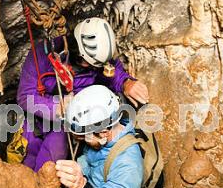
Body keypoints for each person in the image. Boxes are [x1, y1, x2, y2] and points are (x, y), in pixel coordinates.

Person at [16, 17, 149, 172]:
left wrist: (126, 82)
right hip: (37, 121)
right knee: (24, 167)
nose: (93, 68)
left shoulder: (98, 59)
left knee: (49, 166)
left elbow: (112, 71)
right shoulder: (42, 54)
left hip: (66, 128)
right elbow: (25, 96)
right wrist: (59, 107)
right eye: (90, 64)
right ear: (77, 53)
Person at [55, 85, 143, 188]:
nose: (78, 140)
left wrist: (79, 187)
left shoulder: (128, 164)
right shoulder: (103, 134)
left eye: (82, 137)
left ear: (103, 132)